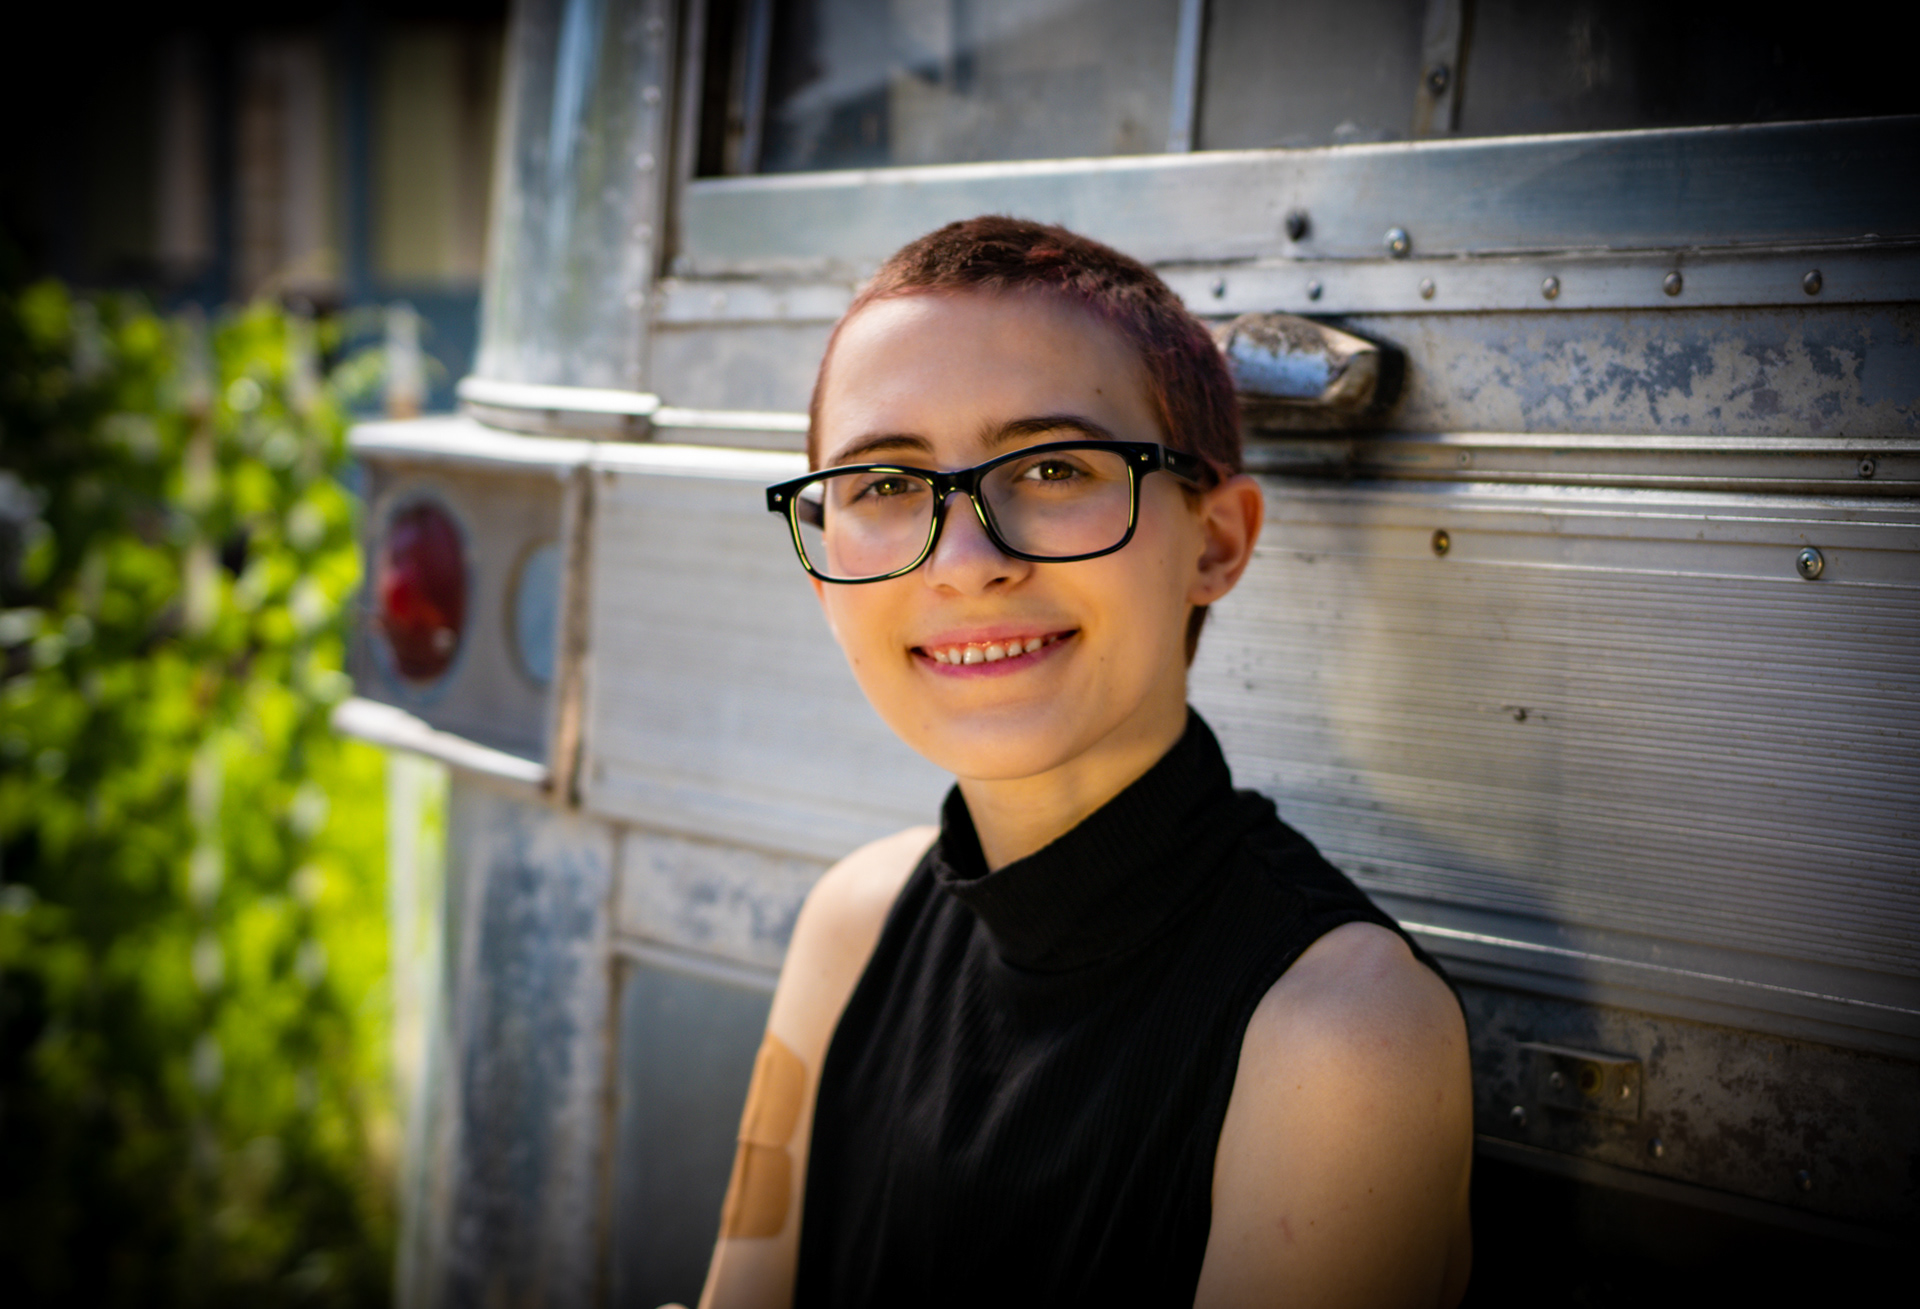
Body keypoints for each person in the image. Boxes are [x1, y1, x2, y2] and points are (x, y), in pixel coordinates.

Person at [698, 217, 1473, 1308]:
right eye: (885, 485)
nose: (965, 561)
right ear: (826, 575)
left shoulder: (1339, 1035)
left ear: (1216, 541)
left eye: (1054, 467)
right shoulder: (852, 923)